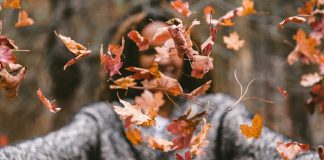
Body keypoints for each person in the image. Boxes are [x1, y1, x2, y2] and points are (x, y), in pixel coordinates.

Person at [0, 3, 319, 160]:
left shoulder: (215, 115)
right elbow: (49, 150)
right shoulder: (104, 122)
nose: (165, 58)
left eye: (173, 48)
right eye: (152, 51)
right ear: (132, 63)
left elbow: (269, 148)